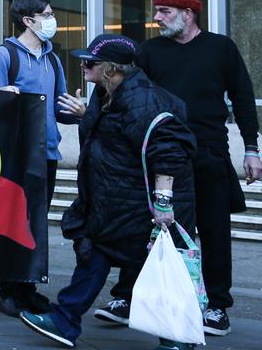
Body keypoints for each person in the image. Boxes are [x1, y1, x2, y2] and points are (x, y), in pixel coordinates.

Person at [95, 0, 259, 336]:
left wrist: (251, 149)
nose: (156, 18)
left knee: (214, 232)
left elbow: (243, 98)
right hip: (161, 155)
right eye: (156, 10)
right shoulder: (150, 52)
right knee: (147, 227)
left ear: (188, 13)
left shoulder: (221, 48)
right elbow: (129, 95)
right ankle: (127, 297)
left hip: (209, 152)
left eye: (165, 11)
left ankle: (216, 306)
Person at [19, 34, 196, 350]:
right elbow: (110, 137)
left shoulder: (144, 100)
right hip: (112, 201)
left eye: (91, 62)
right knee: (96, 253)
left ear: (113, 68)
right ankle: (65, 319)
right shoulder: (107, 95)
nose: (84, 65)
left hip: (138, 204)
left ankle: (177, 336)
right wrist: (84, 115)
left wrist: (164, 202)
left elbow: (168, 150)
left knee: (152, 263)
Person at [0, 0, 82, 317]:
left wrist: (77, 111)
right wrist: (1, 99)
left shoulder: (53, 60)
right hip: (16, 155)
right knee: (14, 223)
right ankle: (10, 291)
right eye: (47, 15)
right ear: (28, 20)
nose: (53, 20)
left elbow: (58, 108)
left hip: (47, 153)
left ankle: (27, 287)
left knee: (35, 224)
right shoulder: (3, 57)